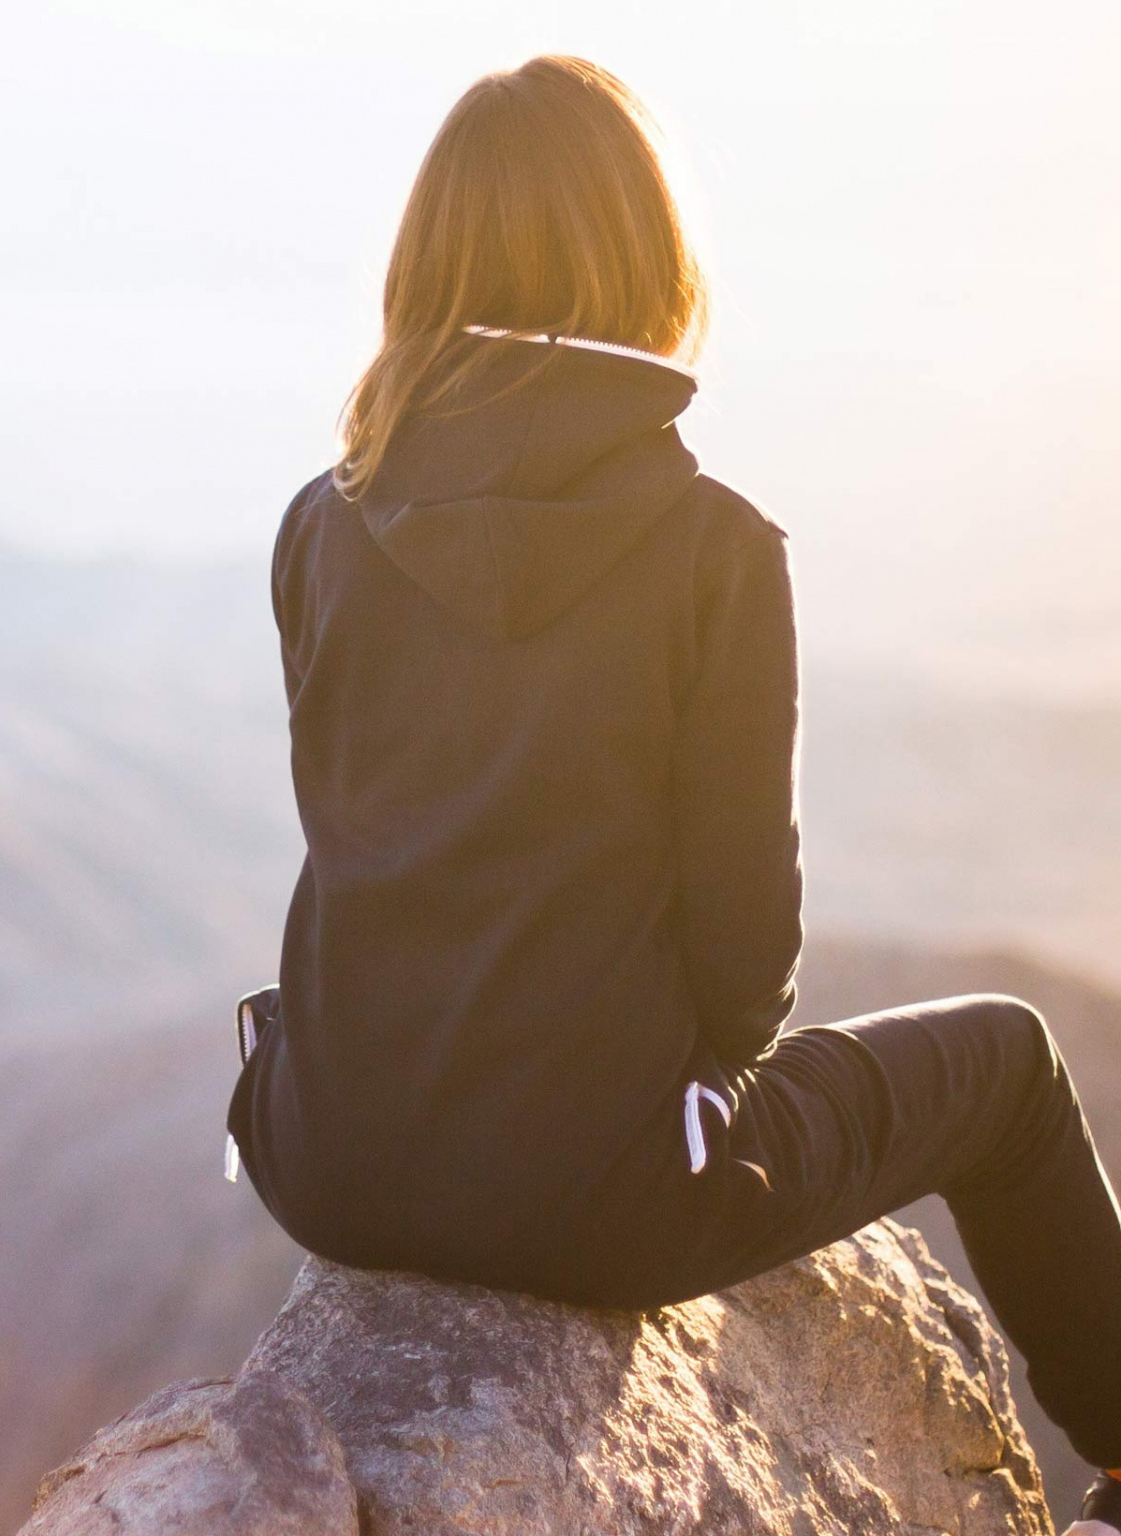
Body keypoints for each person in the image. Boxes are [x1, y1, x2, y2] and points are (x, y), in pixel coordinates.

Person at [223, 53, 1121, 1533]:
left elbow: (367, 836)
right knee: (1010, 1065)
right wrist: (664, 1098)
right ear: (650, 258)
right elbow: (746, 960)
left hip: (326, 1159)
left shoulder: (320, 524)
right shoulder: (716, 550)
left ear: (426, 262)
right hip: (607, 1201)